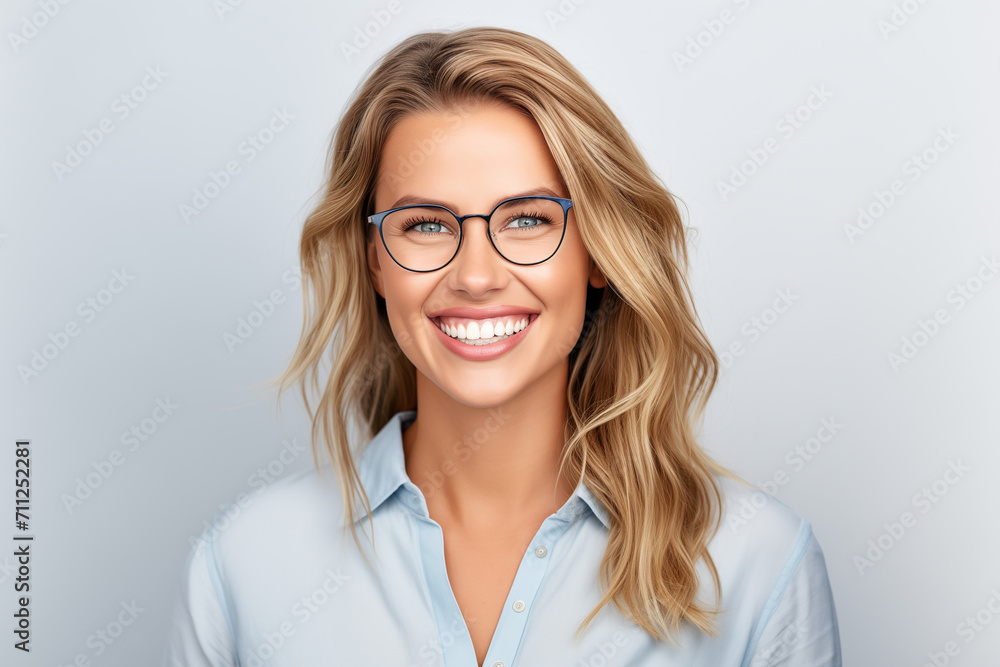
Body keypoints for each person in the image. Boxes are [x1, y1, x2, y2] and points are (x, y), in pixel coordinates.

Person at [162, 26, 841, 667]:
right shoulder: (243, 568)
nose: (477, 276)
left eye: (526, 219)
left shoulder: (757, 561)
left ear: (597, 252)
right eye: (426, 223)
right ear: (374, 258)